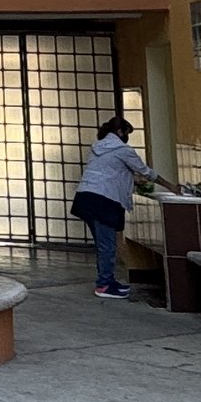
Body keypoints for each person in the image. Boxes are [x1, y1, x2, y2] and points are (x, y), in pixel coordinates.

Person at [71, 116, 177, 300]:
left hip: (85, 198)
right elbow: (146, 172)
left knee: (103, 245)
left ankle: (108, 281)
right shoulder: (123, 150)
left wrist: (133, 179)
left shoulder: (98, 147)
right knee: (108, 246)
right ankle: (104, 285)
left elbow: (111, 172)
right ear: (120, 132)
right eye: (127, 133)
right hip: (103, 200)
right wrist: (171, 187)